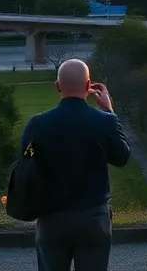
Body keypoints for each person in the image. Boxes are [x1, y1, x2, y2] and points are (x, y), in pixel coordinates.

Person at [21, 58, 130, 271]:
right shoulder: (104, 121)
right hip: (93, 218)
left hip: (52, 218)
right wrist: (110, 111)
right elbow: (122, 157)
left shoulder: (37, 124)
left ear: (57, 86)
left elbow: (25, 166)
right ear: (89, 86)